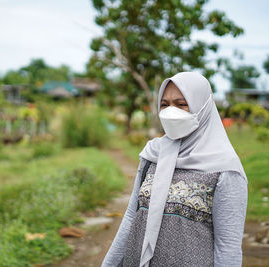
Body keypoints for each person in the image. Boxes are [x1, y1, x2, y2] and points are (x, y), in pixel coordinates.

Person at [101, 72, 248, 267]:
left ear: (202, 108)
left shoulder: (225, 169)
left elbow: (227, 248)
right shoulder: (152, 154)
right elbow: (131, 217)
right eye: (164, 104)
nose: (171, 111)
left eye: (181, 104)